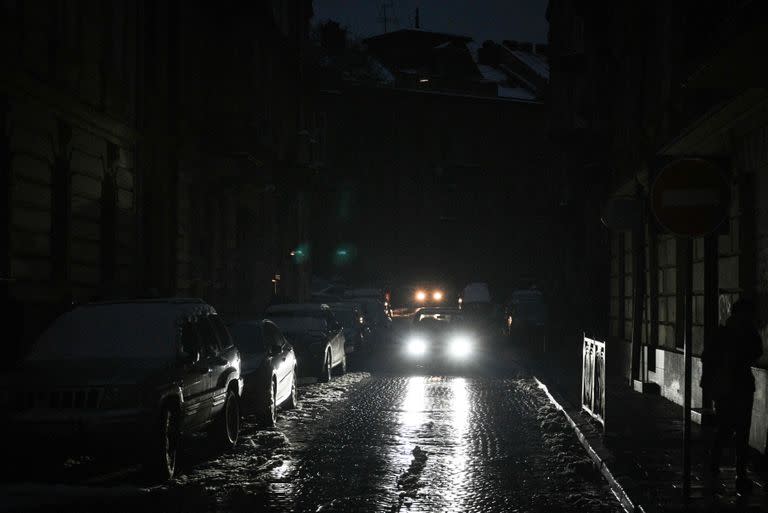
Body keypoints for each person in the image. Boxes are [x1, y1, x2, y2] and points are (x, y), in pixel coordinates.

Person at [701, 298, 763, 493]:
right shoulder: (742, 333)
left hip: (728, 388)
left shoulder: (723, 332)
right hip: (737, 387)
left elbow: (707, 356)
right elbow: (757, 351)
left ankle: (717, 464)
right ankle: (738, 473)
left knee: (726, 428)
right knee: (738, 431)